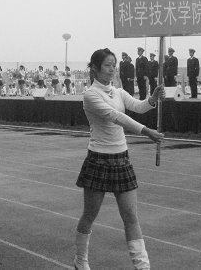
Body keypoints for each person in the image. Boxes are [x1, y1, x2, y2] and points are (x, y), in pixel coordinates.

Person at [74, 48, 164, 270]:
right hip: (98, 160)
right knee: (89, 215)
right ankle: (81, 261)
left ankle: (142, 266)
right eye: (107, 65)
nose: (112, 69)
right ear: (94, 68)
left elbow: (139, 107)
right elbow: (116, 117)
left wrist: (152, 99)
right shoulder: (90, 95)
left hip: (121, 159)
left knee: (131, 216)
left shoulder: (119, 92)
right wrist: (146, 131)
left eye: (114, 64)